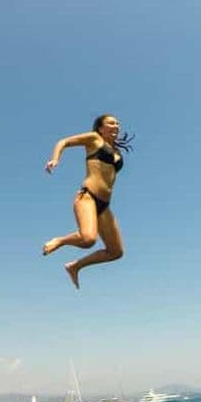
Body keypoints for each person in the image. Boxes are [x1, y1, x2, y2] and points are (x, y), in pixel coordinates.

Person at [42, 114, 134, 289]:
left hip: (105, 205)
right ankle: (60, 240)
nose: (116, 126)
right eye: (111, 123)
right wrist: (55, 159)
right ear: (100, 128)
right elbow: (64, 142)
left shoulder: (117, 152)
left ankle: (75, 266)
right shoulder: (94, 139)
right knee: (88, 239)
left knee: (116, 252)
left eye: (118, 123)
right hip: (87, 197)